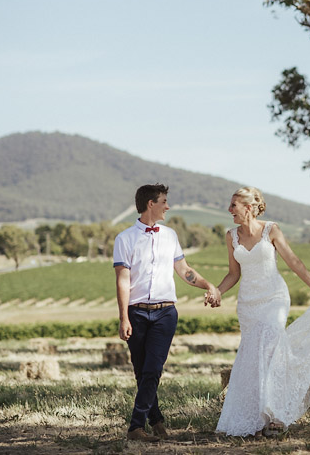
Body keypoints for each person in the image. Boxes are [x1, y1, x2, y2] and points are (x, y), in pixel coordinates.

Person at [213, 186, 310, 437]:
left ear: (249, 207)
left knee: (270, 345)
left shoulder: (271, 230)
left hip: (275, 298)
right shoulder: (231, 236)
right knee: (254, 355)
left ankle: (277, 413)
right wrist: (217, 291)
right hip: (248, 304)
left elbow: (293, 261)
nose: (229, 210)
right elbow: (234, 273)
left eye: (233, 205)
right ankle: (259, 415)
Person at [113, 183, 222, 443]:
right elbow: (122, 280)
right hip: (136, 313)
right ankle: (157, 420)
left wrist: (207, 284)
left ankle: (135, 428)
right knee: (142, 371)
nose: (168, 206)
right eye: (164, 201)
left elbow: (184, 270)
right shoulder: (124, 239)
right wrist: (123, 317)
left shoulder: (171, 235)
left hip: (165, 314)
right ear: (151, 204)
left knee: (153, 370)